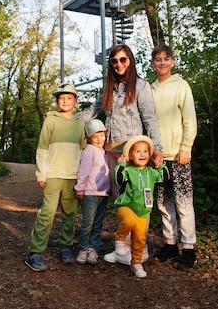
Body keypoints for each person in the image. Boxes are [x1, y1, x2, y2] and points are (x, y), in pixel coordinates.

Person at [76, 44, 164, 198]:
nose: (119, 64)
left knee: (137, 194)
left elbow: (150, 118)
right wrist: (70, 118)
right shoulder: (110, 88)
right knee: (118, 195)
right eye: (114, 61)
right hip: (111, 150)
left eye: (123, 60)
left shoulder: (141, 86)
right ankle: (122, 223)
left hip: (131, 149)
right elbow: (93, 110)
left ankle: (140, 224)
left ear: (130, 60)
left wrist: (157, 149)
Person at [24, 83, 86, 272]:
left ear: (75, 101)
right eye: (61, 97)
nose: (65, 100)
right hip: (53, 175)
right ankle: (34, 252)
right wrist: (41, 173)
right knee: (47, 213)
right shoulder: (50, 120)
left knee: (70, 213)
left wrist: (82, 178)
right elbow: (42, 148)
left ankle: (65, 247)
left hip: (72, 176)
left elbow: (83, 150)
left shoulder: (79, 123)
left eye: (69, 97)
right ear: (57, 101)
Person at [150, 45, 198, 269]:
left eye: (166, 59)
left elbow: (189, 118)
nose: (162, 63)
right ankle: (170, 244)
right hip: (158, 156)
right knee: (163, 202)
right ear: (152, 63)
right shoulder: (149, 90)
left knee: (183, 202)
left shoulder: (181, 86)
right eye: (158, 59)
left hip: (178, 155)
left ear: (172, 62)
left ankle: (189, 247)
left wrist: (186, 147)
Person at [113, 135, 170, 278]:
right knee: (129, 221)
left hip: (143, 210)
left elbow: (164, 179)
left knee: (140, 238)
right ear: (130, 155)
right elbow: (118, 180)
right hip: (126, 206)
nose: (142, 154)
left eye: (145, 151)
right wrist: (120, 164)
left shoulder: (151, 172)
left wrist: (160, 165)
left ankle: (136, 263)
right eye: (138, 152)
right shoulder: (128, 170)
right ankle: (119, 239)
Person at [74, 119, 110, 265]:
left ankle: (93, 250)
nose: (99, 139)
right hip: (90, 192)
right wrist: (80, 188)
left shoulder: (104, 152)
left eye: (101, 135)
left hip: (103, 194)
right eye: (95, 137)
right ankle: (83, 249)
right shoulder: (89, 150)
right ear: (89, 138)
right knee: (88, 223)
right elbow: (83, 171)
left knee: (97, 223)